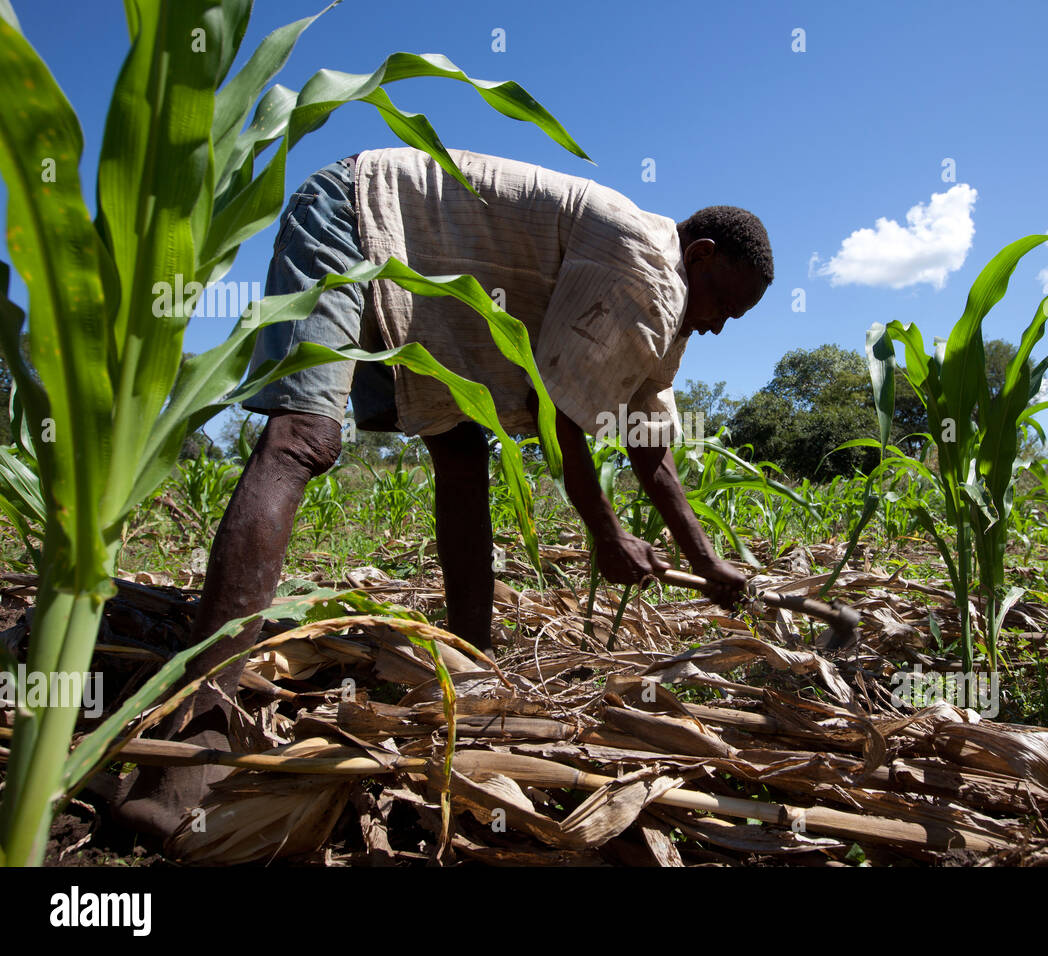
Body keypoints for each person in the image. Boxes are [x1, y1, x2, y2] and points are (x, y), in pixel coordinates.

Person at [113, 147, 773, 839]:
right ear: (697, 256)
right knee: (303, 438)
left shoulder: (668, 301)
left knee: (462, 456)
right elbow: (558, 412)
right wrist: (606, 536)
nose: (720, 324)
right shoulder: (646, 269)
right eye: (723, 302)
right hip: (357, 214)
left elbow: (649, 446)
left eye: (736, 317)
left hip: (429, 288)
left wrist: (708, 564)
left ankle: (468, 668)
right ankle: (196, 736)